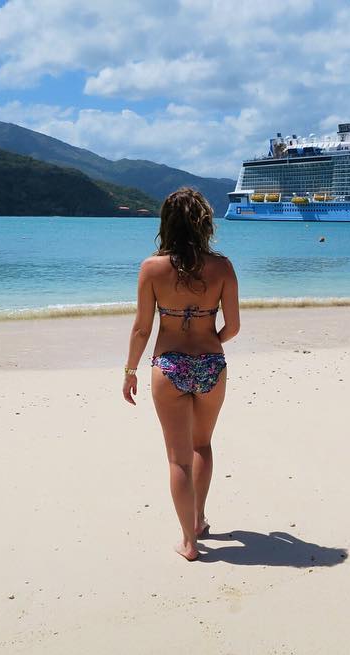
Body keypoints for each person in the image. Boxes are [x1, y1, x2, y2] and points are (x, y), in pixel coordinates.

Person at [122, 188, 240, 561]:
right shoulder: (222, 267)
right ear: (204, 223)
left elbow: (142, 328)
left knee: (178, 460)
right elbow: (234, 326)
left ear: (167, 223)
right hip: (211, 365)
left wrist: (130, 370)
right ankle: (199, 519)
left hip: (169, 366)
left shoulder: (152, 268)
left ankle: (189, 542)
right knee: (201, 445)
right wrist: (211, 341)